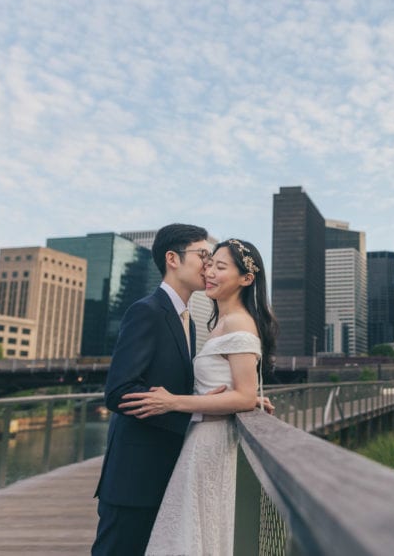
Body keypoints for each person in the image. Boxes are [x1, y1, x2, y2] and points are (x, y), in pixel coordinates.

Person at [120, 238, 277, 556]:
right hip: (200, 437)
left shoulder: (238, 322)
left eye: (220, 267)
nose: (210, 272)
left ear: (246, 279)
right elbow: (240, 392)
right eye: (209, 265)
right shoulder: (217, 323)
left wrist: (174, 402)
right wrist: (237, 398)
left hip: (212, 442)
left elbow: (244, 396)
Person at [91, 224, 214, 556]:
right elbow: (118, 391)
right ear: (173, 259)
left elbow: (177, 386)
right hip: (133, 480)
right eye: (203, 255)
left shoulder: (186, 320)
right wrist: (180, 407)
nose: (209, 264)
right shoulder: (146, 311)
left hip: (164, 473)